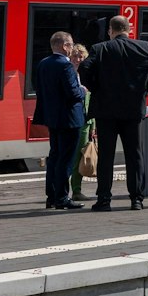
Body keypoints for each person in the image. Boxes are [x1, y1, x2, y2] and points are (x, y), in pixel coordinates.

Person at [82, 14, 148, 211]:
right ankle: (136, 199)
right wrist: (145, 88)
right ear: (129, 30)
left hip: (106, 111)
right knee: (134, 155)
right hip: (133, 109)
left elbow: (85, 68)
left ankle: (104, 199)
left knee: (106, 156)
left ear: (110, 31)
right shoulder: (145, 47)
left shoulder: (100, 48)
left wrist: (96, 88)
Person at [31, 31, 87, 210]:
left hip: (52, 118)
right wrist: (83, 91)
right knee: (66, 159)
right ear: (64, 46)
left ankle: (52, 196)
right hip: (69, 119)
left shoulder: (43, 64)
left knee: (54, 156)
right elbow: (73, 93)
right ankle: (62, 198)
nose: (72, 48)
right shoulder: (66, 66)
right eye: (71, 45)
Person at [68, 41, 92, 205]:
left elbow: (91, 100)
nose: (78, 59)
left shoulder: (88, 76)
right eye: (75, 56)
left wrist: (93, 124)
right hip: (72, 120)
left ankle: (76, 190)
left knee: (80, 157)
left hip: (86, 122)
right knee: (70, 156)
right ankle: (64, 190)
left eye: (81, 56)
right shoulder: (68, 74)